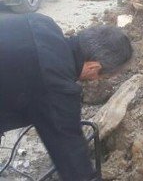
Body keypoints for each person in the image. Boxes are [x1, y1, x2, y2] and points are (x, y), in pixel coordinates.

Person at [0, 13, 133, 180]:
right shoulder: (56, 84)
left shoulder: (42, 23)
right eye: (101, 77)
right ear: (93, 67)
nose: (95, 81)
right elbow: (70, 152)